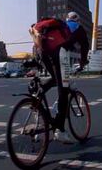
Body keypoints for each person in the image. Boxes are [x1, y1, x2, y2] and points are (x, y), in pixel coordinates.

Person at [30, 11, 89, 144]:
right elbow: (84, 46)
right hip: (59, 54)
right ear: (78, 20)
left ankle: (39, 92)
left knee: (57, 79)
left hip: (42, 52)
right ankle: (60, 130)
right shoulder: (78, 28)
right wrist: (82, 63)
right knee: (64, 89)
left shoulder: (58, 26)